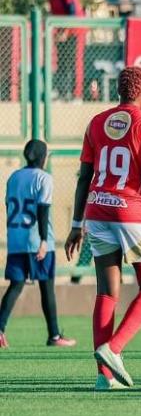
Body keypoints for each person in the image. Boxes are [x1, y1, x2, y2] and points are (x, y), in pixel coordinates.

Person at [65, 67, 141, 391]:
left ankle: (103, 378)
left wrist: (77, 224)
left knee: (107, 291)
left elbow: (84, 176)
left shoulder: (96, 123)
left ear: (117, 91)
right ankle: (114, 348)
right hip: (131, 212)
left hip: (96, 210)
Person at [0, 141, 76, 349]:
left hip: (16, 239)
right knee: (46, 287)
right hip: (37, 241)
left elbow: (9, 206)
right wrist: (43, 240)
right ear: (43, 157)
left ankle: (0, 328)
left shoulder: (14, 177)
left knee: (16, 285)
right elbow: (42, 210)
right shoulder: (44, 178)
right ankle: (54, 335)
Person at [38, 0, 85, 101]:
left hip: (73, 32)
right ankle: (63, 93)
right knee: (63, 63)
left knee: (71, 63)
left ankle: (75, 95)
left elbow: (72, 12)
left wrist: (66, 31)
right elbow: (56, 15)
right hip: (62, 33)